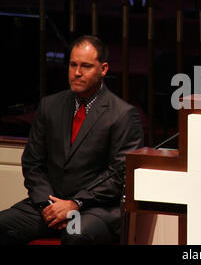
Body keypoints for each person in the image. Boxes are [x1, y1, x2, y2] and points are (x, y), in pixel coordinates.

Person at [0, 35, 144, 245]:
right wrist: (49, 204)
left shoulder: (123, 114)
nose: (77, 73)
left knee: (75, 234)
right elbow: (32, 163)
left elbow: (118, 175)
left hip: (94, 209)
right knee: (4, 224)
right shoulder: (50, 106)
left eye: (85, 66)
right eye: (73, 65)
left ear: (103, 69)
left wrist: (75, 203)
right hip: (48, 204)